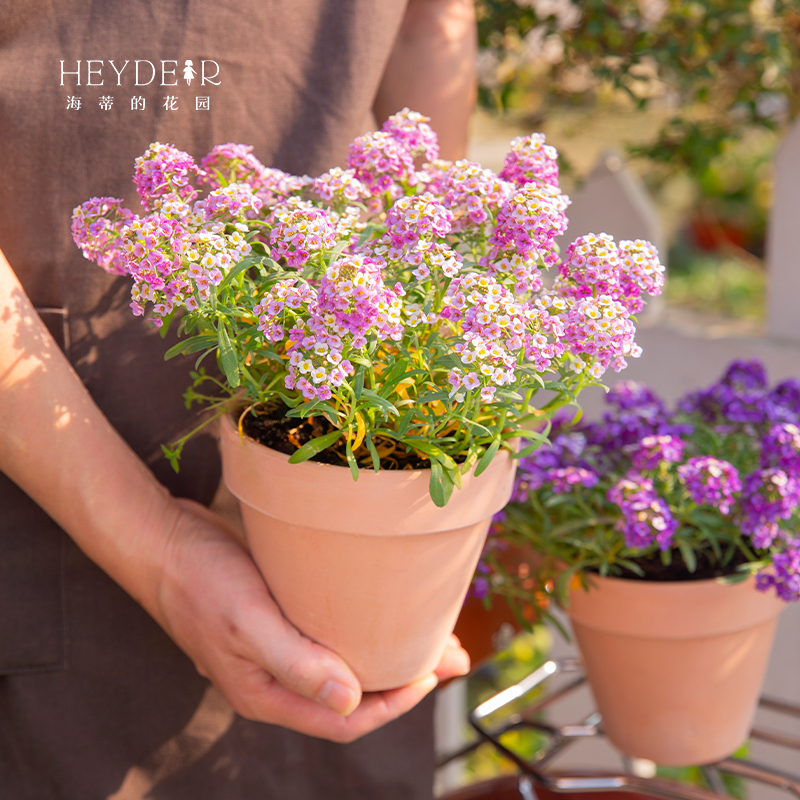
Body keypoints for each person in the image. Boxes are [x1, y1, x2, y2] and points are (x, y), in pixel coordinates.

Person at [0, 1, 477, 797]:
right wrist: (159, 554)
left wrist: (419, 325)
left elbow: (433, 24)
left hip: (339, 494)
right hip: (39, 482)